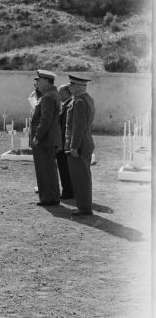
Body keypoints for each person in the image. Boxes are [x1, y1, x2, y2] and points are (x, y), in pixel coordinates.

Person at [65, 74, 95, 216]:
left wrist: (74, 147)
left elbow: (78, 127)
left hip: (80, 145)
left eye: (71, 85)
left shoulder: (79, 102)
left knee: (80, 178)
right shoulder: (87, 99)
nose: (69, 87)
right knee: (83, 177)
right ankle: (84, 206)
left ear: (78, 86)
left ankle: (84, 208)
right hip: (85, 142)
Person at [29, 69, 61, 206]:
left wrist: (37, 137)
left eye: (40, 80)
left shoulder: (48, 96)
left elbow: (45, 119)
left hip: (44, 140)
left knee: (45, 169)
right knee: (49, 169)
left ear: (47, 81)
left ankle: (49, 198)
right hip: (49, 139)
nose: (37, 83)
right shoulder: (52, 94)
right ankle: (51, 197)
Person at [56, 84, 74, 200]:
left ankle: (68, 192)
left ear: (67, 93)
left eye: (61, 93)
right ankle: (68, 191)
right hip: (63, 142)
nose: (59, 95)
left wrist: (61, 143)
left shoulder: (68, 106)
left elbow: (64, 127)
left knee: (65, 168)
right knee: (64, 168)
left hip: (64, 143)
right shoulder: (66, 105)